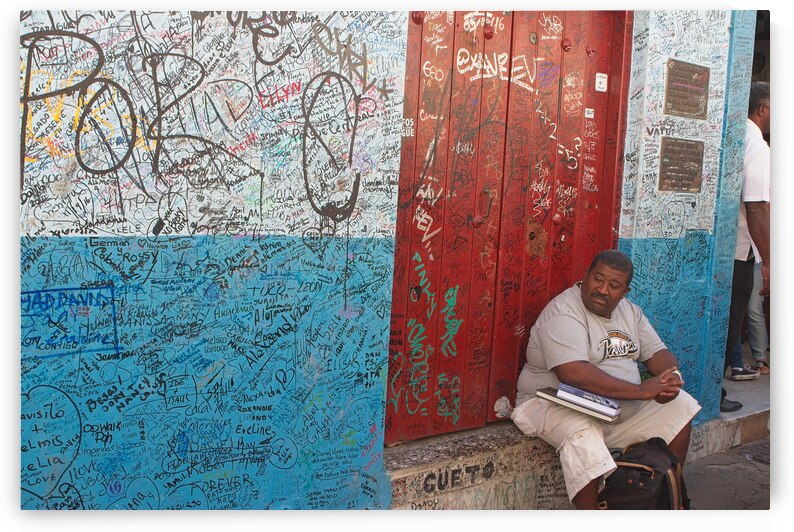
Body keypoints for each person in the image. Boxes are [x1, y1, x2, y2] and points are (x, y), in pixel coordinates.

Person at [511, 250, 701, 509]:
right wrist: (641, 391)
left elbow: (658, 353)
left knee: (682, 406)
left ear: (625, 291)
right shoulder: (563, 312)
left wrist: (671, 378)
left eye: (613, 285)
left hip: (610, 409)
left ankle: (662, 493)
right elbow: (573, 373)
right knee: (582, 431)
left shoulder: (629, 312)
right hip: (547, 403)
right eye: (597, 279)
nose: (602, 289)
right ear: (585, 276)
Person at [721, 81, 771, 411]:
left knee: (728, 319)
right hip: (740, 249)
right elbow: (755, 207)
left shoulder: (736, 134)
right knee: (731, 319)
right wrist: (770, 262)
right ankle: (714, 393)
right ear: (763, 109)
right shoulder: (757, 144)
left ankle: (715, 390)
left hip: (729, 247)